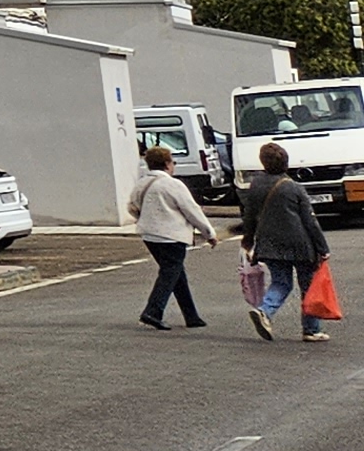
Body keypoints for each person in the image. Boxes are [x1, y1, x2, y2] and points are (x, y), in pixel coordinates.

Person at [238, 140, 337, 342]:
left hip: (270, 244)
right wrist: (322, 248)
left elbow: (249, 216)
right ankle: (311, 329)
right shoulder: (294, 188)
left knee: (281, 282)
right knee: (308, 286)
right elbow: (310, 221)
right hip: (301, 245)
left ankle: (265, 311)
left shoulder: (255, 186)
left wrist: (248, 241)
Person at [132, 146, 217, 331]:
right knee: (170, 273)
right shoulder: (173, 185)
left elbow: (132, 205)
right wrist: (208, 233)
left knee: (176, 273)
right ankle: (153, 311)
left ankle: (191, 315)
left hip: (149, 235)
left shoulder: (142, 183)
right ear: (167, 164)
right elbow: (191, 210)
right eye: (173, 162)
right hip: (172, 235)